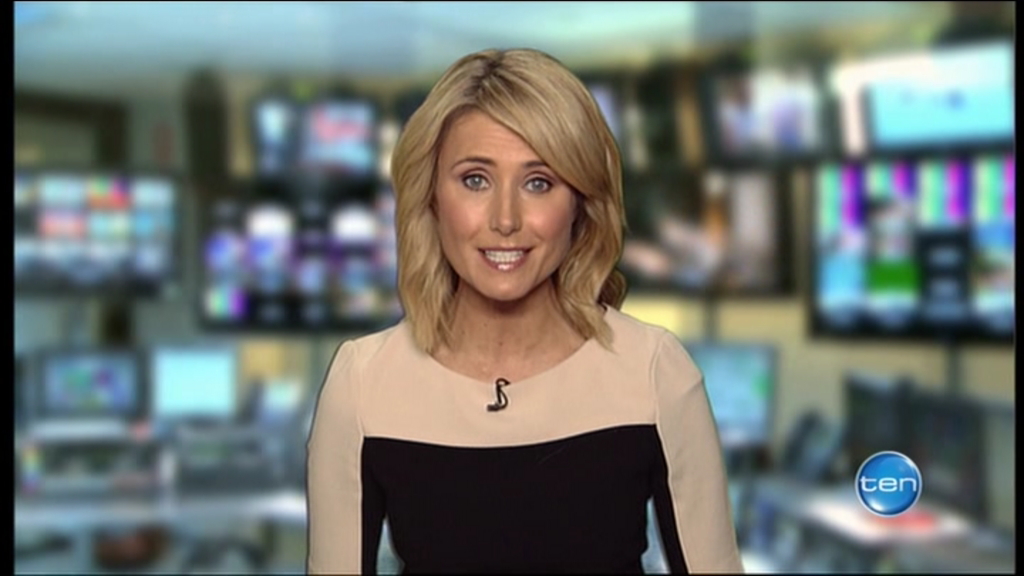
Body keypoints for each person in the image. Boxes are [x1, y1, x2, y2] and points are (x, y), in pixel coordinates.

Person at [306, 48, 744, 574]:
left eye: (539, 182)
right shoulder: (363, 383)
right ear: (431, 196)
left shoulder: (654, 373)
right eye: (475, 179)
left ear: (580, 202)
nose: (506, 220)